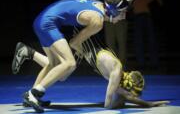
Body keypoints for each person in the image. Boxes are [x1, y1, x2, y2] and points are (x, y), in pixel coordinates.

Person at [13, 0, 138, 113]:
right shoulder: (97, 21)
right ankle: (33, 94)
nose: (124, 16)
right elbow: (74, 42)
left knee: (54, 65)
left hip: (42, 20)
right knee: (69, 63)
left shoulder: (92, 3)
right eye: (122, 12)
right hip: (47, 24)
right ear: (113, 11)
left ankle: (30, 90)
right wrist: (87, 56)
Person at [12, 38, 169, 109]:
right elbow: (108, 105)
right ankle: (28, 52)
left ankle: (28, 52)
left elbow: (127, 96)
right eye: (131, 93)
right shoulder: (115, 74)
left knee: (60, 71)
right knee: (62, 71)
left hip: (80, 44)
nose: (130, 97)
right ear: (127, 86)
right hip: (76, 41)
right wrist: (121, 101)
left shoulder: (118, 74)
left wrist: (148, 104)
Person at [132, 0, 163, 71]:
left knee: (151, 40)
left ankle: (154, 63)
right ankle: (141, 63)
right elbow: (131, 3)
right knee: (139, 41)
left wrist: (152, 5)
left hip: (148, 16)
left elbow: (160, 2)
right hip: (137, 16)